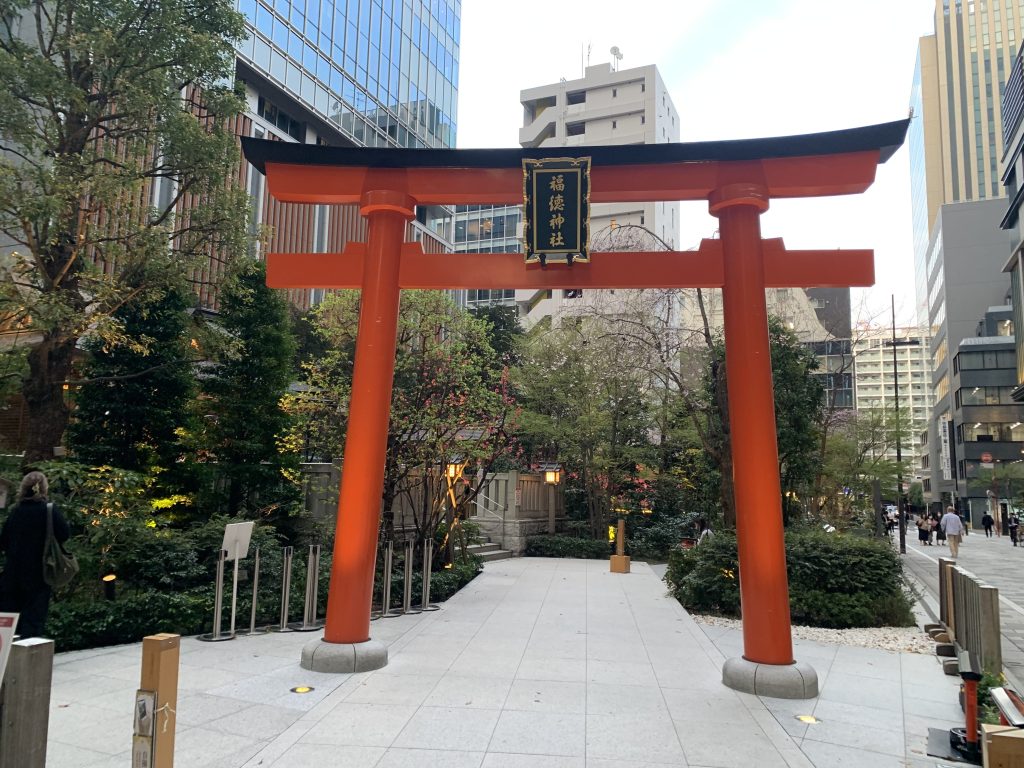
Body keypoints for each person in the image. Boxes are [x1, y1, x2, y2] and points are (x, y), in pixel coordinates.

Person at [0, 472, 69, 638]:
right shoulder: (49, 510)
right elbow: (64, 534)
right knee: (34, 619)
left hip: (13, 573)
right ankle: (29, 651)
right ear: (44, 488)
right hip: (39, 572)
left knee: (10, 619)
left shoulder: (16, 511)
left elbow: (4, 541)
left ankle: (9, 651)